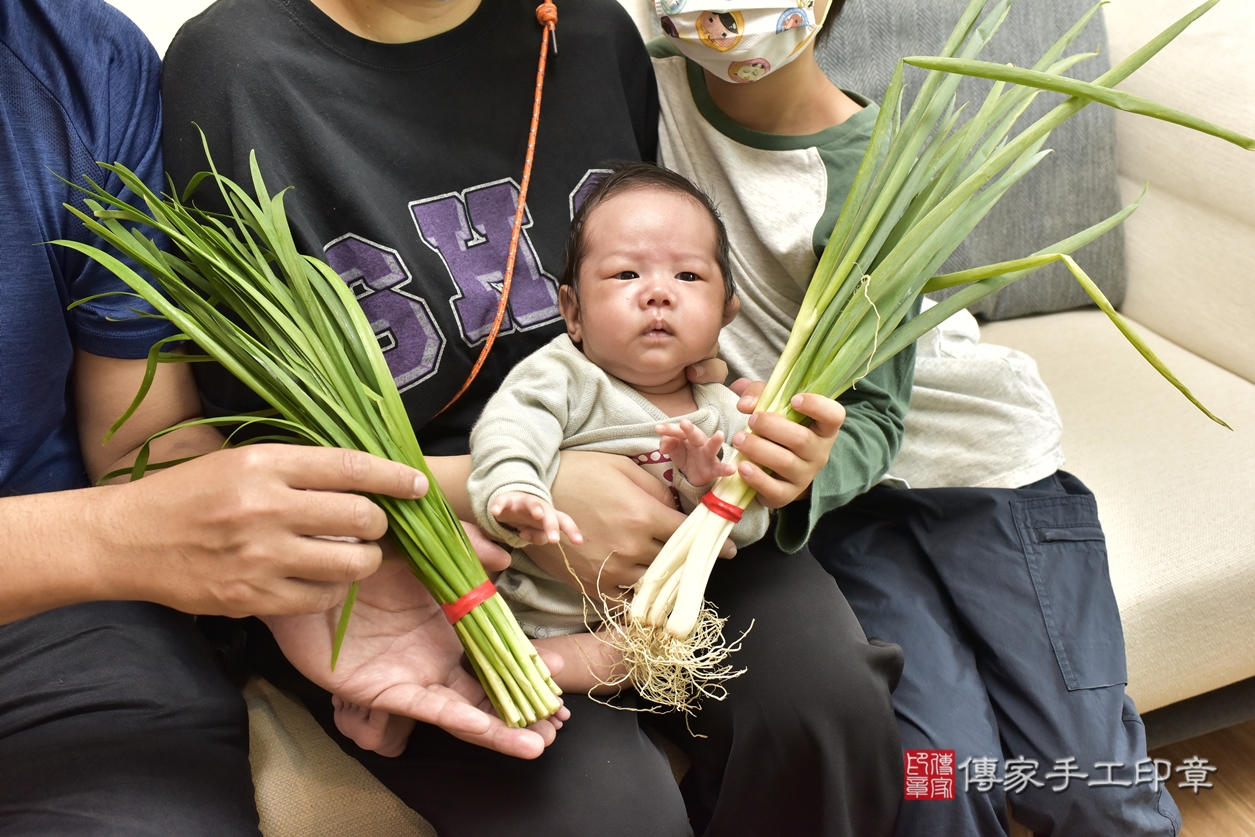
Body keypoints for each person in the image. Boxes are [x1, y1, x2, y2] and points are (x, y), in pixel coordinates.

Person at [161, 0, 906, 834]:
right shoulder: (234, 67)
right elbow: (239, 431)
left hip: (660, 478)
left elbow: (666, 283)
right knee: (609, 811)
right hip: (422, 544)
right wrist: (500, 489)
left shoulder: (587, 32)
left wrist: (742, 432)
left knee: (825, 706)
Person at [0, 1, 560, 834]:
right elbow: (121, 516)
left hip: (61, 627)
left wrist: (306, 577)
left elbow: (142, 446)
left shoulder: (80, 59)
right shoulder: (236, 59)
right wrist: (103, 535)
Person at [648, 0, 1181, 834]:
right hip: (851, 509)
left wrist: (797, 475)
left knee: (1089, 786)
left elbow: (873, 415)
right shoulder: (642, 80)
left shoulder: (874, 166)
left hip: (981, 473)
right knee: (940, 779)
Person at [467, 163, 770, 647]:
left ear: (725, 312)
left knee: (656, 651)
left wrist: (702, 483)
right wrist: (516, 487)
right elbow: (509, 428)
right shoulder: (564, 376)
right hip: (529, 607)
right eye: (627, 273)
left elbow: (744, 532)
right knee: (461, 621)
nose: (658, 293)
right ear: (573, 312)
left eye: (688, 275)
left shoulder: (725, 413)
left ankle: (555, 671)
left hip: (650, 621)